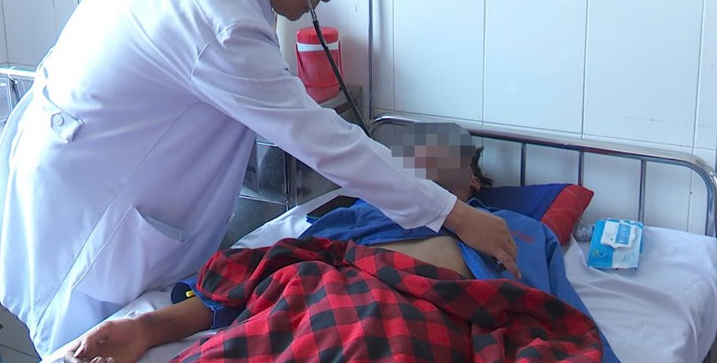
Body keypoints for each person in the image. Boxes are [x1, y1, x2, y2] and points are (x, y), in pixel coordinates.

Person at [0, 0, 519, 356]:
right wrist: (456, 215)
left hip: (79, 168)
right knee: (84, 341)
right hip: (95, 211)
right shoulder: (216, 17)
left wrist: (445, 207)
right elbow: (321, 139)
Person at [63, 122, 617, 363]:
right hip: (313, 306)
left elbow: (553, 317)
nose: (420, 163)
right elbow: (250, 287)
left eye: (442, 156)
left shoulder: (519, 231)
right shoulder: (352, 219)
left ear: (473, 181)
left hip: (418, 325)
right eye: (406, 156)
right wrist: (146, 327)